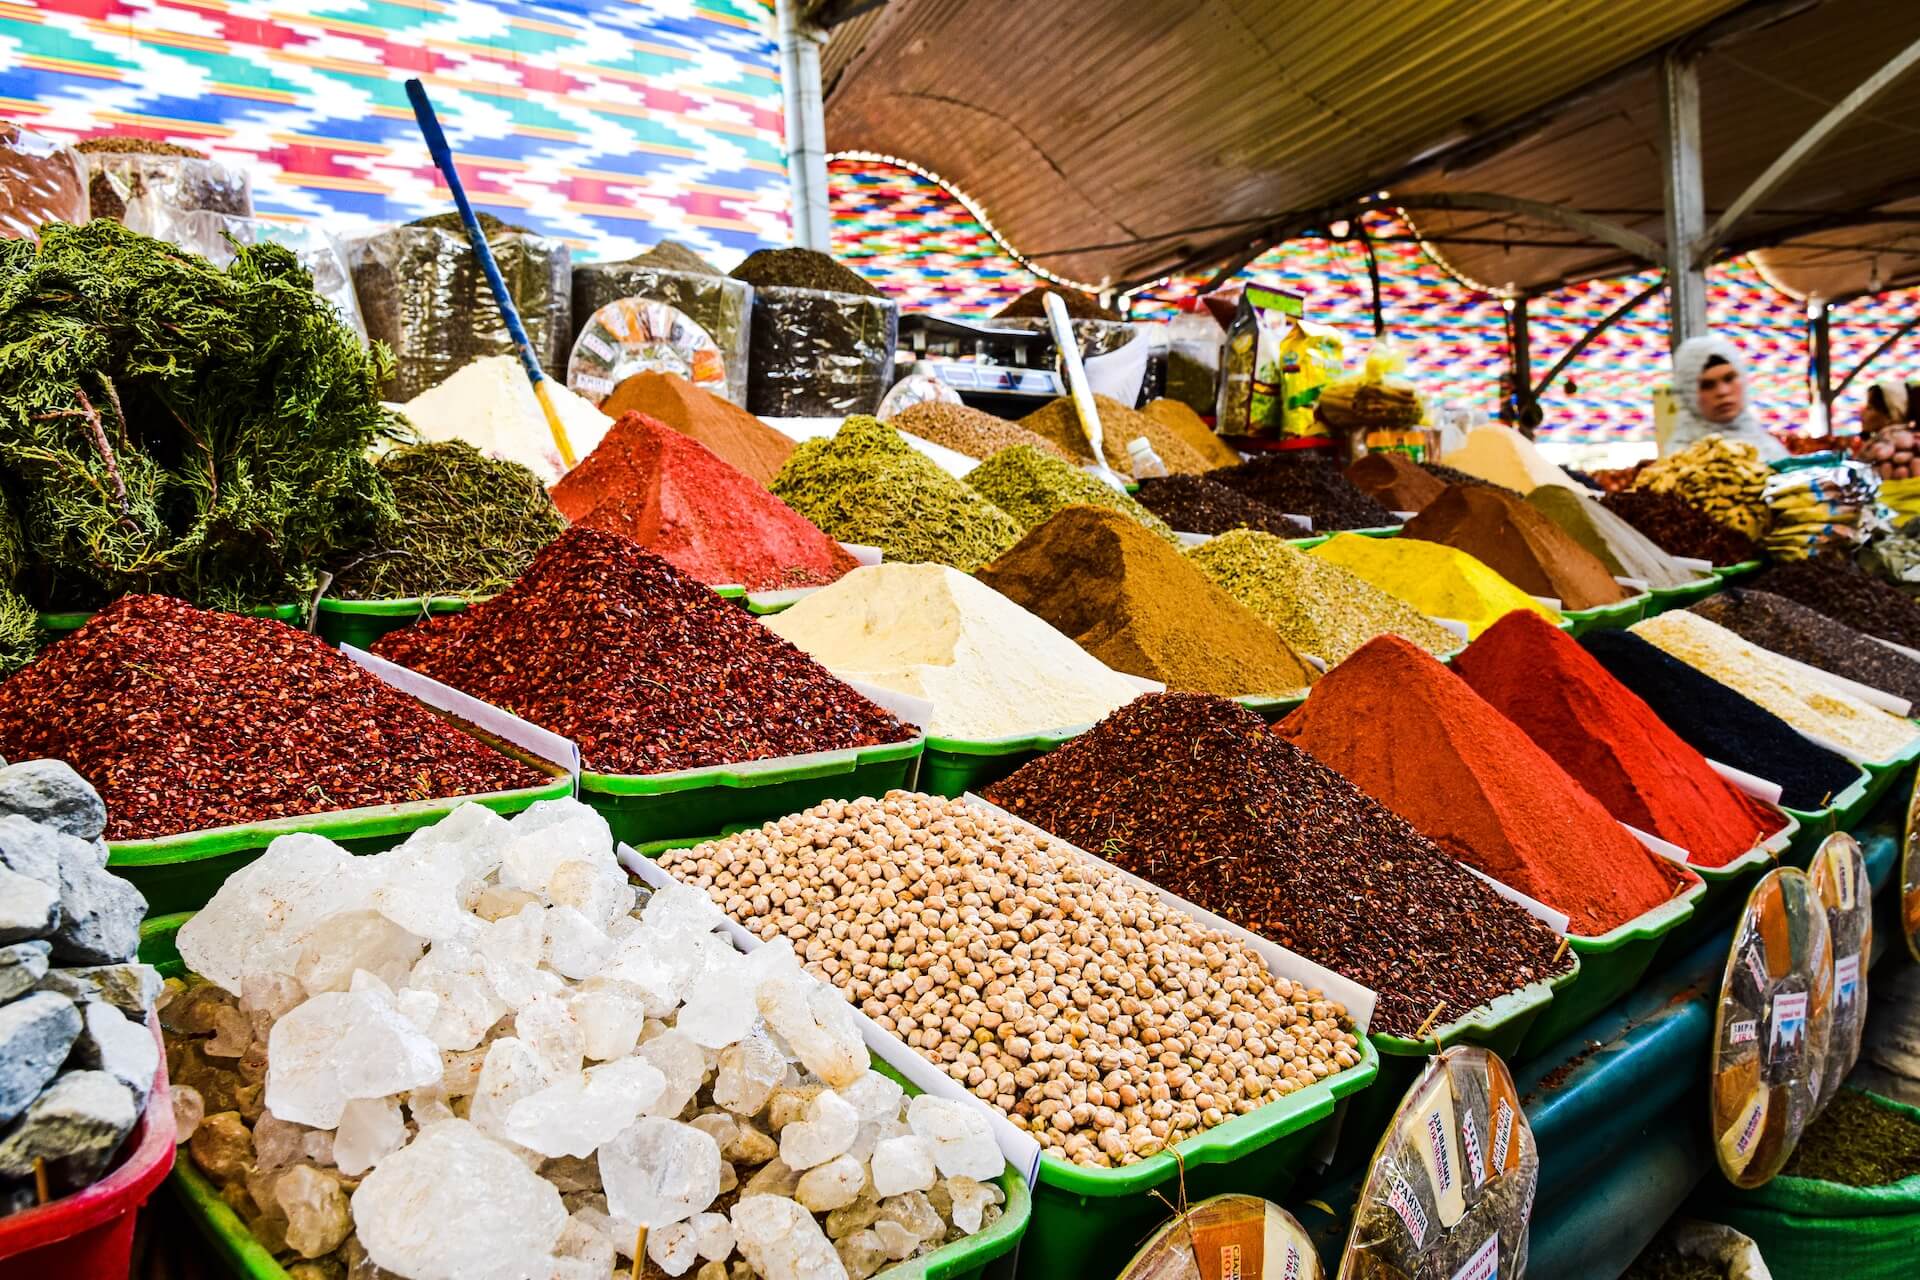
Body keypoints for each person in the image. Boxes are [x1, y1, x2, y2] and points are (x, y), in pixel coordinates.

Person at [1667, 333, 1786, 460]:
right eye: (1707, 385)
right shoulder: (1680, 461)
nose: (1723, 392)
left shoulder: (1769, 446)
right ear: (1688, 395)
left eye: (1729, 379)